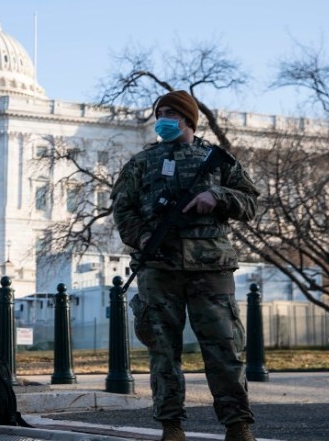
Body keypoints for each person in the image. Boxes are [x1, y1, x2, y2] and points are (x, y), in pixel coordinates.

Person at [110, 90, 260, 441]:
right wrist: (147, 240)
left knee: (224, 348)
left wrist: (218, 196)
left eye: (170, 113)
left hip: (211, 268)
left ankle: (238, 425)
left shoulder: (218, 160)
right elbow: (123, 211)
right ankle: (171, 425)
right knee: (163, 351)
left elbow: (250, 203)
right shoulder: (142, 162)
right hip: (159, 269)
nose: (162, 118)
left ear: (188, 119)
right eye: (159, 112)